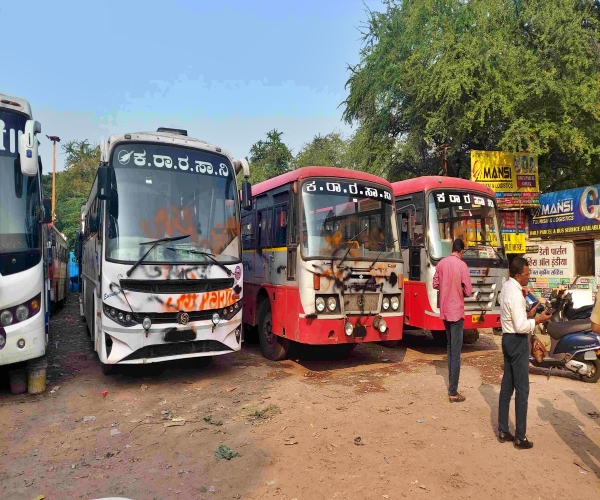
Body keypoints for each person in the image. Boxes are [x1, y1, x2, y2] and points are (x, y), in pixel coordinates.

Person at [498, 256, 551, 449]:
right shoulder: (515, 292)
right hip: (518, 341)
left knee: (507, 387)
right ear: (519, 275)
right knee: (522, 390)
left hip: (507, 339)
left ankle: (503, 429)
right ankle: (521, 436)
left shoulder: (506, 288)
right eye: (527, 274)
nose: (529, 277)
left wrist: (529, 315)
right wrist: (537, 320)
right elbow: (520, 326)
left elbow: (514, 319)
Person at [432, 238, 472, 403]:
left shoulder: (441, 264)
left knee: (449, 347)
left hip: (445, 312)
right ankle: (453, 392)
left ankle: (451, 385)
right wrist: (460, 288)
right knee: (456, 352)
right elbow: (468, 291)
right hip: (456, 313)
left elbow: (435, 284)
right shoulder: (462, 266)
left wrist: (446, 286)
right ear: (461, 251)